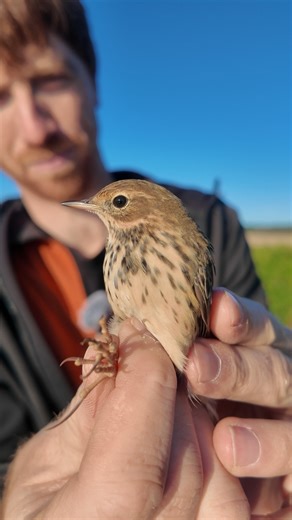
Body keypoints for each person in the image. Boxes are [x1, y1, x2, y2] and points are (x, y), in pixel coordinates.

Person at [0, 0, 291, 516]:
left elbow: (232, 348)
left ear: (93, 81)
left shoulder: (206, 226)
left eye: (48, 80)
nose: (34, 125)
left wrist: (272, 396)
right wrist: (19, 493)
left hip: (215, 440)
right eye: (0, 96)